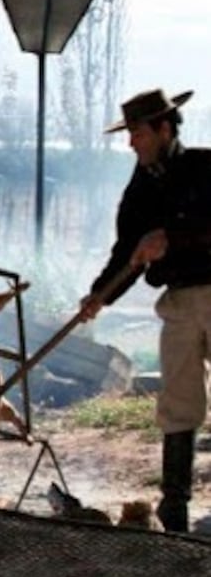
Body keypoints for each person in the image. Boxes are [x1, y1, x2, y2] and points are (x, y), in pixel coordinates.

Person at [79, 88, 211, 533]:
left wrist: (174, 237)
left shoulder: (203, 167)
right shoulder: (139, 189)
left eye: (137, 131)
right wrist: (100, 295)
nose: (131, 141)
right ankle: (174, 506)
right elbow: (128, 253)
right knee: (178, 400)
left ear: (164, 128)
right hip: (178, 300)